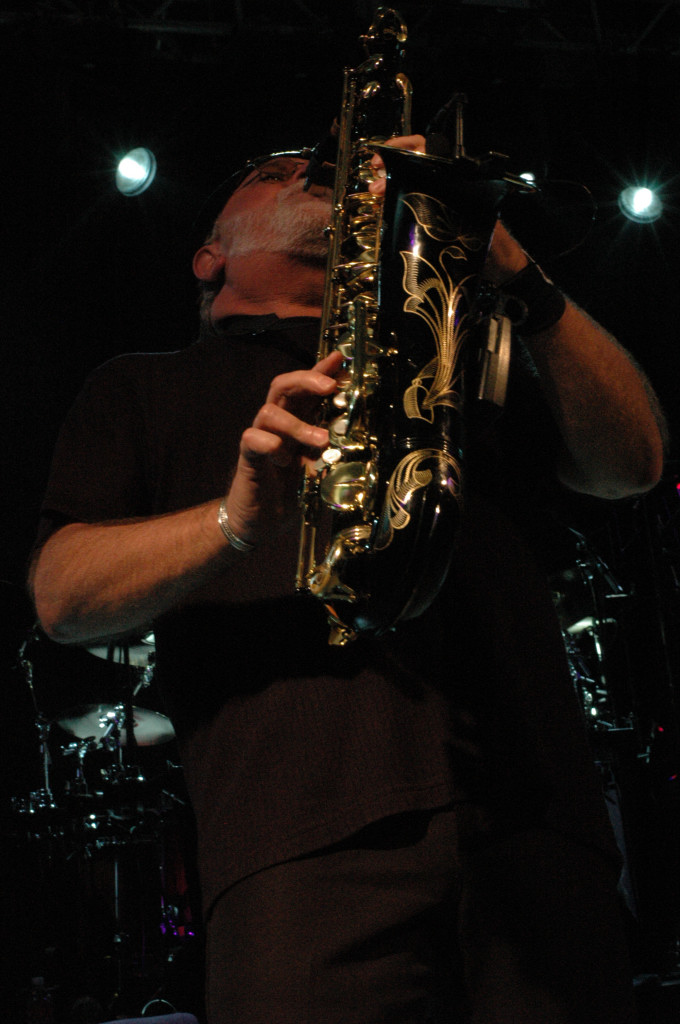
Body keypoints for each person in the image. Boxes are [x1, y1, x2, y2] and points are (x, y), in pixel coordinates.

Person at [28, 135, 666, 1024]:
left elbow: (632, 464)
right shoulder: (142, 386)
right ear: (210, 258)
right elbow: (63, 597)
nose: (310, 168)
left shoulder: (451, 355)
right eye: (272, 172)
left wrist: (507, 263)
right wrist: (235, 520)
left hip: (534, 828)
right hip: (297, 847)